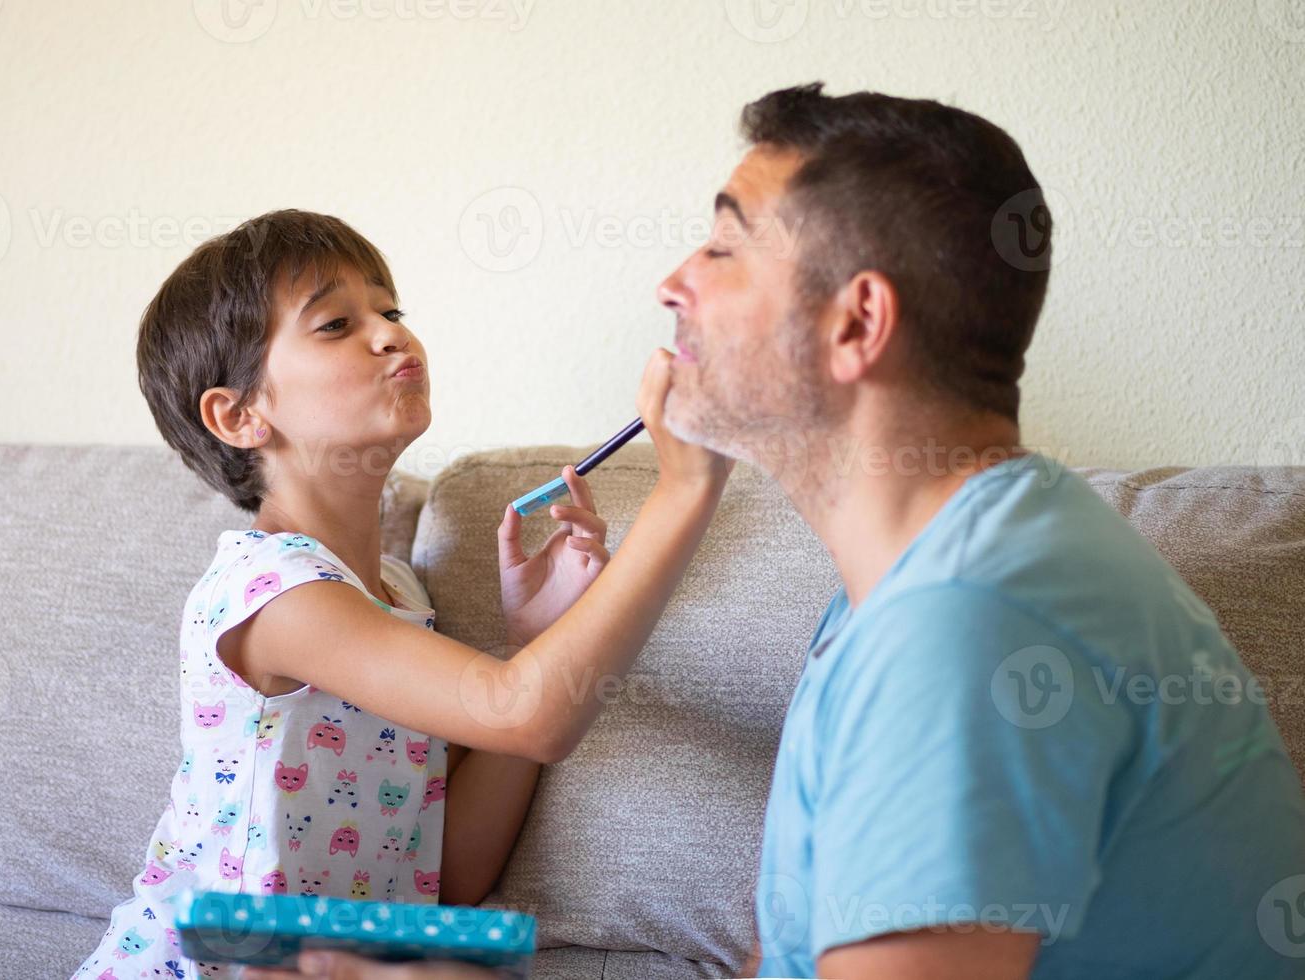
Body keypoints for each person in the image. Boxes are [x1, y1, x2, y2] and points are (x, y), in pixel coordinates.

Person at [655, 83, 1305, 979]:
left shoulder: (969, 620)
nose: (671, 283)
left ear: (856, 323)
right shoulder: (904, 590)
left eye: (724, 245)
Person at [70, 209, 732, 980]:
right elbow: (531, 713)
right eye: (335, 324)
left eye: (390, 311)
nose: (390, 334)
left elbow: (445, 879)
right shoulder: (274, 592)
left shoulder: (397, 594)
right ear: (241, 415)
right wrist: (684, 485)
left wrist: (529, 645)